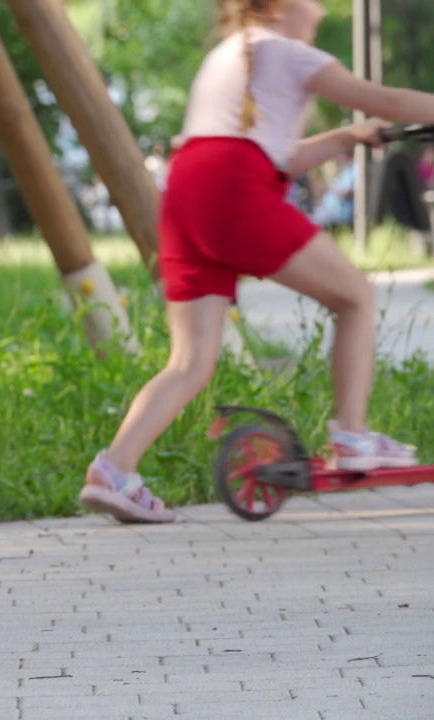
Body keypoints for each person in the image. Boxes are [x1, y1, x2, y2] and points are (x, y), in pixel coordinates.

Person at [80, 0, 430, 524]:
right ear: (279, 7)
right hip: (233, 189)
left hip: (187, 192)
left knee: (191, 361)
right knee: (355, 296)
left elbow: (275, 156)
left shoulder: (228, 54)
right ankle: (354, 436)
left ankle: (114, 469)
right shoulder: (288, 51)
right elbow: (387, 99)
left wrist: (345, 137)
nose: (317, 9)